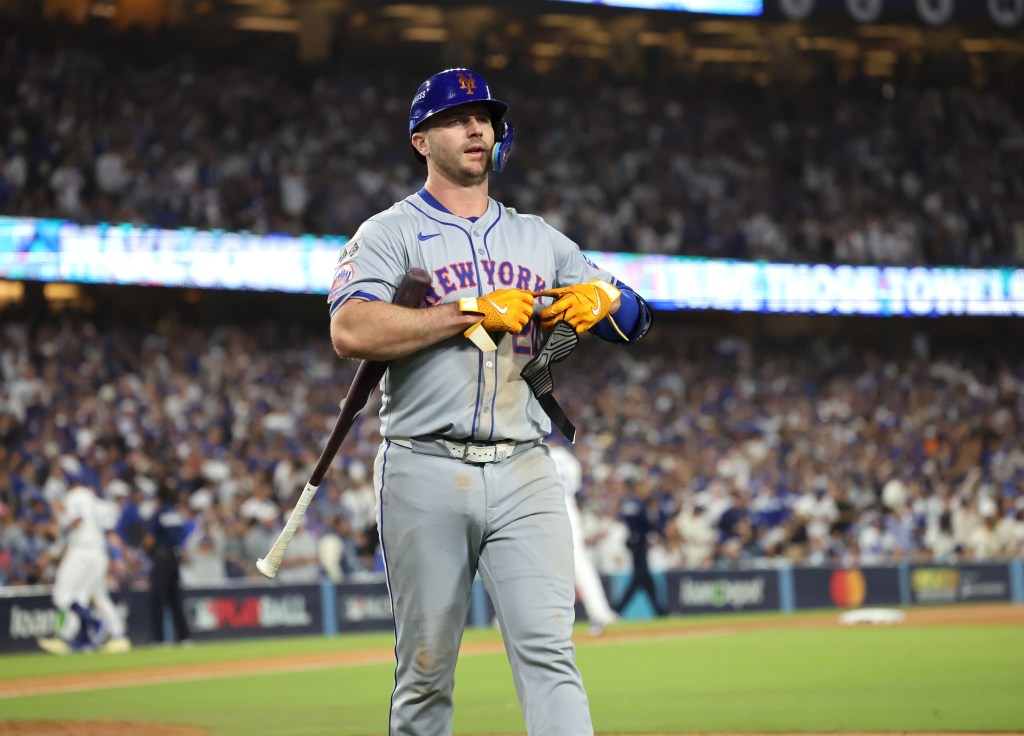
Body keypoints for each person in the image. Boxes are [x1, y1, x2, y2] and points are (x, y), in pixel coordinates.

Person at [328, 68, 653, 736]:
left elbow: (638, 318)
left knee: (550, 655)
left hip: (524, 467)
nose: (477, 128)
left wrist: (604, 298)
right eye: (456, 117)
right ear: (421, 139)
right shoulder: (388, 232)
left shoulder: (538, 238)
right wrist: (467, 310)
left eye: (485, 116)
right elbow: (352, 330)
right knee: (425, 673)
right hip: (424, 465)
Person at [37, 485, 131, 654]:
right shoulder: (97, 503)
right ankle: (118, 636)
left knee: (61, 595)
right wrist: (116, 558)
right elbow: (110, 532)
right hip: (98, 554)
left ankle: (90, 625)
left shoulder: (74, 496)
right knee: (97, 597)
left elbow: (76, 521)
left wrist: (59, 528)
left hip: (81, 552)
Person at [549, 443, 618, 637]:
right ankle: (601, 612)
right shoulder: (570, 461)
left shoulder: (538, 453)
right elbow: (574, 487)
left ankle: (516, 617)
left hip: (545, 510)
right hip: (569, 509)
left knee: (530, 563)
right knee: (580, 564)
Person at [144, 481, 192, 645]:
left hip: (161, 558)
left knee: (157, 599)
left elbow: (149, 540)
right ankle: (184, 637)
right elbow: (181, 536)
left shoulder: (159, 513)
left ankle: (158, 639)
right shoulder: (177, 514)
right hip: (175, 558)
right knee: (176, 599)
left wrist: (148, 552)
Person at [612, 479, 669, 617]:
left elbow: (624, 518)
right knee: (639, 578)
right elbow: (647, 523)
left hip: (633, 541)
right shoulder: (639, 504)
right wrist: (660, 533)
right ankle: (617, 609)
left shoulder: (628, 503)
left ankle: (659, 611)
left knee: (645, 578)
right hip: (639, 543)